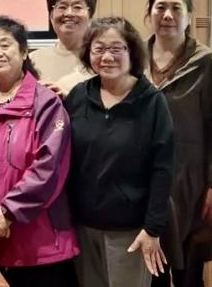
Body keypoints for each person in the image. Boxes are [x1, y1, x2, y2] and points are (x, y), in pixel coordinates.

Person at [0, 16, 79, 287]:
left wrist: (7, 212)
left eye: (5, 45)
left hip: (41, 241)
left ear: (23, 52)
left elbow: (49, 167)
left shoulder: (46, 104)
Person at [65, 16, 174, 287]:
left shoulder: (152, 102)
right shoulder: (78, 96)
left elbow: (163, 168)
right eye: (98, 49)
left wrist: (152, 228)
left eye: (117, 48)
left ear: (132, 52)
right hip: (83, 225)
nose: (107, 57)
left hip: (131, 230)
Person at [144, 0, 212, 287]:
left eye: (176, 8)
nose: (167, 15)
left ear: (188, 16)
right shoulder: (133, 59)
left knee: (189, 269)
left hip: (191, 179)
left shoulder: (206, 62)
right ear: (149, 13)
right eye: (160, 7)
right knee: (151, 266)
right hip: (144, 178)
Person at [31, 0, 97, 94]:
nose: (69, 13)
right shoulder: (33, 59)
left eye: (77, 7)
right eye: (62, 7)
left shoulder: (100, 59)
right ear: (51, 16)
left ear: (90, 17)